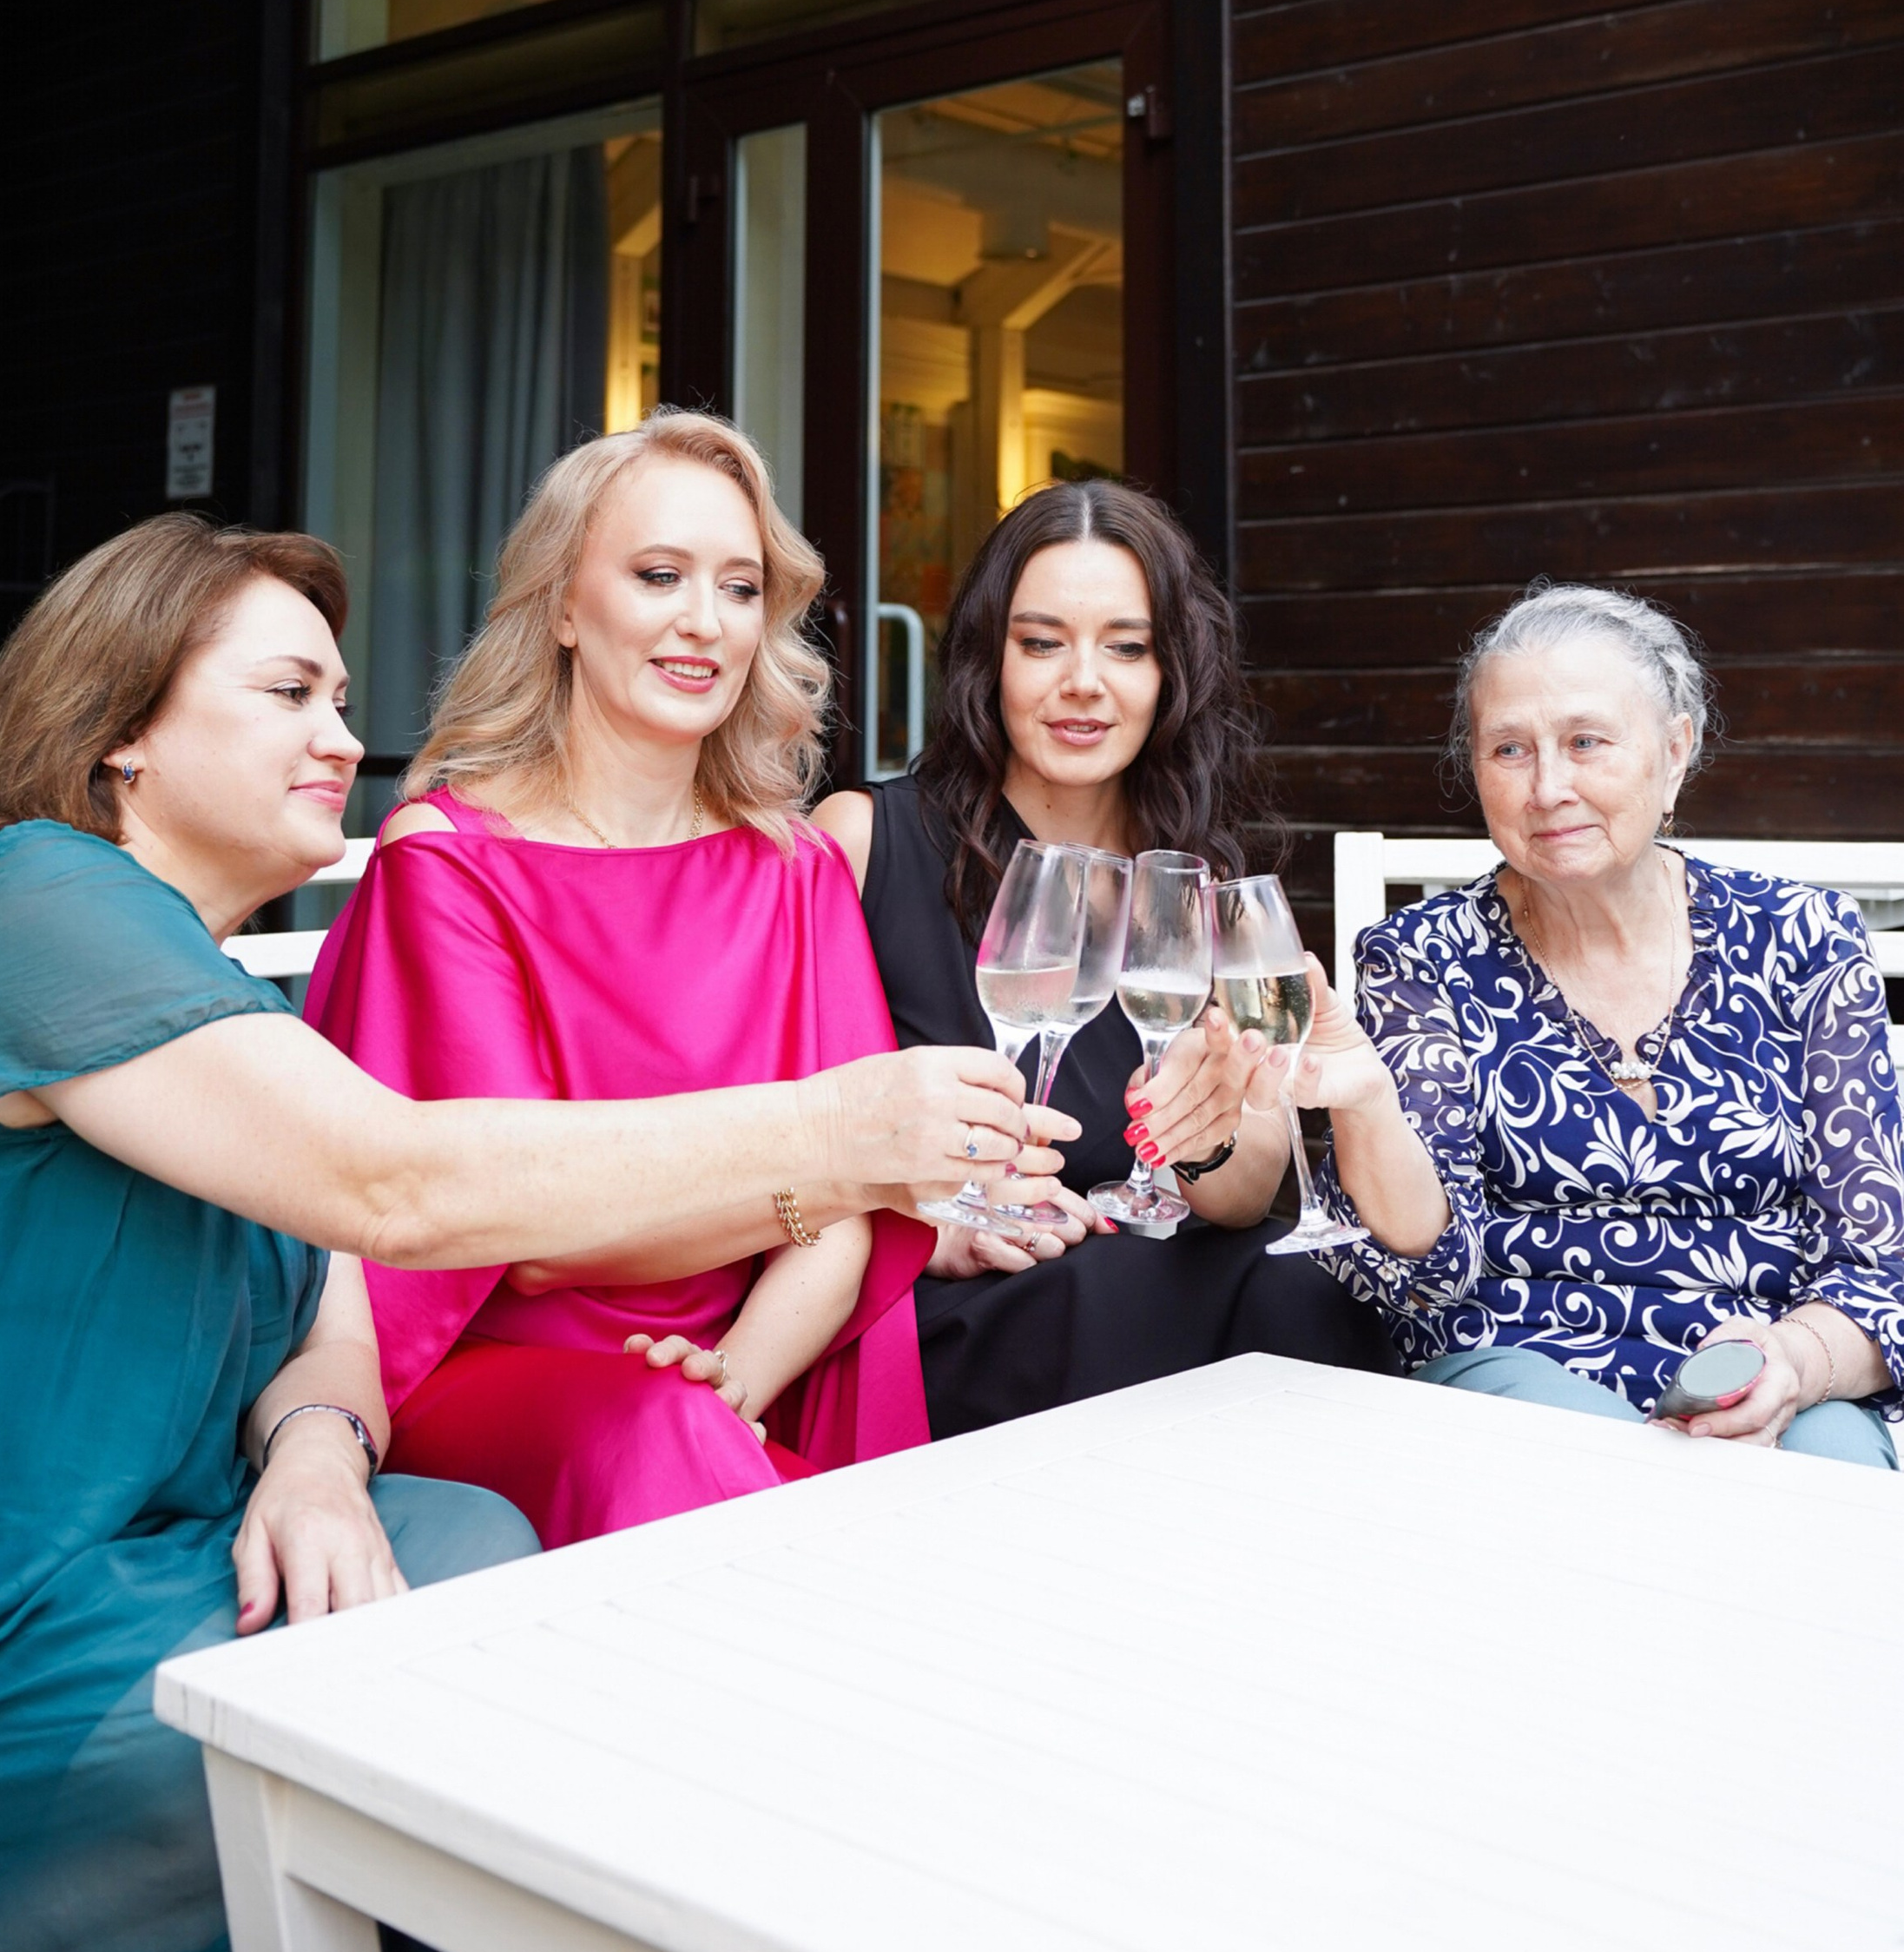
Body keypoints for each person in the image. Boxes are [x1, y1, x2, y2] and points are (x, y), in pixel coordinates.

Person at [0, 517, 1038, 1952]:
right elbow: (389, 1187)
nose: (344, 737)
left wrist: (319, 1451)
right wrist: (832, 1133)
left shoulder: (225, 1006)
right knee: (460, 1687)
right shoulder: (16, 904)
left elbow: (327, 1293)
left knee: (472, 1568)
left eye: (342, 698)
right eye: (290, 695)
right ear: (121, 733)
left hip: (102, 1567)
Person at [310, 411, 958, 1546]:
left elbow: (854, 1214)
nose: (704, 622)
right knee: (672, 1445)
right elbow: (538, 1227)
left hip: (740, 1368)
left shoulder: (794, 866)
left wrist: (734, 1381)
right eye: (659, 575)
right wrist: (806, 1182)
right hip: (496, 1366)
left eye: (742, 588)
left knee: (704, 1445)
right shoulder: (451, 863)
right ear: (563, 605)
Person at [814, 480, 1393, 1439]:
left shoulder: (1196, 880)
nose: (1083, 682)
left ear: (1170, 671)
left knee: (1309, 1292)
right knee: (1121, 1291)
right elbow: (795, 1123)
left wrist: (1205, 1128)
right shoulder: (867, 841)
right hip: (957, 1291)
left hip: (1152, 1279)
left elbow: (1242, 1197)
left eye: (1125, 647)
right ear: (988, 661)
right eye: (1042, 643)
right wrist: (930, 1216)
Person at [1296, 582, 1904, 1463]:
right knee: (1610, 1483)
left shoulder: (1804, 936)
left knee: (1832, 1478)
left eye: (1586, 742)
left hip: (1771, 1361)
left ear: (1675, 751)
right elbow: (1418, 1281)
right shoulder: (1421, 959)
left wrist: (1795, 1365)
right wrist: (1364, 1108)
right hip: (1524, 1362)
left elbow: (1880, 1259)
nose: (1548, 788)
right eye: (1509, 749)